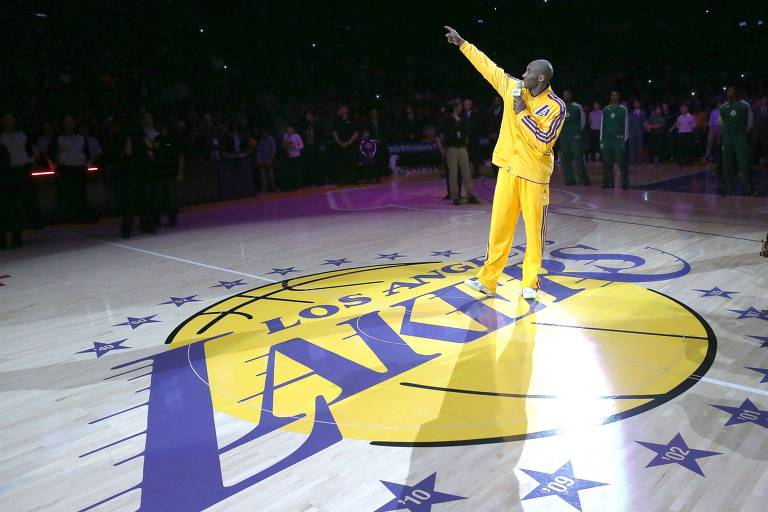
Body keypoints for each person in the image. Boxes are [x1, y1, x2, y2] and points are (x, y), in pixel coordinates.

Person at [445, 26, 565, 301]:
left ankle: (530, 283)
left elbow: (544, 140)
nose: (523, 75)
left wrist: (522, 114)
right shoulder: (514, 89)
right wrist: (463, 44)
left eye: (528, 72)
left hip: (534, 176)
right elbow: (489, 68)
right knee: (499, 227)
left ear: (542, 77)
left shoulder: (556, 106)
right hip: (508, 170)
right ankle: (488, 280)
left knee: (534, 232)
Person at [49, 115, 91, 222]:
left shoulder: (80, 137)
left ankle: (81, 216)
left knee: (80, 194)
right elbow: (51, 153)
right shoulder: (58, 138)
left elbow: (87, 152)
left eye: (71, 122)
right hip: (65, 169)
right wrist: (56, 169)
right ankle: (66, 217)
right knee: (66, 194)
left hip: (79, 168)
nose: (69, 124)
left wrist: (86, 165)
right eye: (66, 122)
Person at [1, 113, 39, 229]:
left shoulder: (22, 135)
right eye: (7, 119)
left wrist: (31, 162)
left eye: (11, 119)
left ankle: (30, 223)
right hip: (9, 171)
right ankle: (16, 225)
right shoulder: (1, 137)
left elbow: (31, 150)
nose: (10, 122)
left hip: (23, 169)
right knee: (12, 201)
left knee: (26, 198)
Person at [438, 98, 479, 205]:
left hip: (462, 147)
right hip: (451, 147)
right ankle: (455, 196)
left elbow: (466, 132)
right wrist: (442, 148)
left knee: (467, 171)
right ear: (454, 107)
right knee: (453, 173)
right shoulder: (447, 119)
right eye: (458, 106)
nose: (460, 107)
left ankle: (471, 195)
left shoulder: (462, 119)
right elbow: (440, 134)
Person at [719, 86, 753, 195]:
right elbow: (721, 123)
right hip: (727, 137)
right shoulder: (723, 107)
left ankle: (748, 189)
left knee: (743, 162)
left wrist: (741, 133)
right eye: (728, 91)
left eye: (732, 90)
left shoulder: (745, 105)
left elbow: (750, 123)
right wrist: (727, 134)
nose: (730, 92)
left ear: (737, 93)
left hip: (740, 137)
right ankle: (729, 189)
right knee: (727, 163)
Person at [153, 121, 185, 227]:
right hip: (159, 173)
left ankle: (172, 219)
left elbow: (180, 156)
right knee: (159, 198)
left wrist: (180, 173)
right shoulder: (157, 139)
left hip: (171, 173)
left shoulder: (174, 139)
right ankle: (157, 220)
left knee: (171, 198)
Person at [559, 90, 589, 186]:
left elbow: (583, 121)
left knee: (578, 158)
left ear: (571, 96)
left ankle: (583, 180)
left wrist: (577, 132)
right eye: (565, 95)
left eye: (568, 94)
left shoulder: (577, 107)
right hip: (564, 137)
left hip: (575, 137)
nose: (566, 96)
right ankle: (570, 180)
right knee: (565, 160)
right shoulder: (560, 107)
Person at [600, 91, 629, 189]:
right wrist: (601, 140)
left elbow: (626, 125)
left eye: (616, 95)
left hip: (618, 140)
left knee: (621, 162)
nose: (614, 96)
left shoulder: (623, 109)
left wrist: (624, 139)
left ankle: (624, 183)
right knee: (607, 162)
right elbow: (602, 125)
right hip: (607, 140)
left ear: (619, 97)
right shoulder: (606, 109)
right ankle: (608, 182)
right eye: (612, 95)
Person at [0, 143, 24, 248]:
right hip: (8, 188)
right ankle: (15, 239)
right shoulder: (11, 170)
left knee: (8, 214)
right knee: (11, 214)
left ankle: (5, 240)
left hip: (6, 188)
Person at [332, 105, 359, 185]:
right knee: (341, 163)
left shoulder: (352, 120)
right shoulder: (337, 120)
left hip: (351, 145)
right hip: (340, 146)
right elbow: (334, 132)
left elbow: (356, 132)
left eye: (344, 109)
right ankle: (342, 181)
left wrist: (349, 142)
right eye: (341, 109)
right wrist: (339, 142)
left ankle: (353, 180)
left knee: (352, 162)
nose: (343, 111)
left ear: (347, 110)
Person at [463, 98, 484, 177]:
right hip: (465, 140)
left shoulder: (475, 114)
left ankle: (476, 172)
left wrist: (471, 136)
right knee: (467, 157)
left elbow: (478, 127)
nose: (466, 106)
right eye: (465, 104)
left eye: (467, 104)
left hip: (474, 139)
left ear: (470, 105)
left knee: (475, 156)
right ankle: (468, 172)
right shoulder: (462, 115)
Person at [282, 125, 304, 189]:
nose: (289, 131)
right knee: (291, 171)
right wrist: (285, 143)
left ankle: (299, 185)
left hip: (296, 156)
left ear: (293, 130)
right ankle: (293, 185)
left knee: (297, 171)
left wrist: (296, 147)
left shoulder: (296, 136)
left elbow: (302, 145)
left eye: (290, 129)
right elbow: (283, 146)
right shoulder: (285, 136)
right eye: (287, 129)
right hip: (289, 156)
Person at [256, 128, 278, 192]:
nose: (263, 133)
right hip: (262, 161)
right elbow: (259, 151)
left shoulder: (271, 139)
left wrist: (271, 159)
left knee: (271, 175)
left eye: (264, 132)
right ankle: (265, 189)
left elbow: (274, 150)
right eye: (262, 132)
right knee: (263, 176)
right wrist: (259, 160)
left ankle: (274, 188)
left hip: (269, 160)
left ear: (267, 132)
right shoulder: (261, 140)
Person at [750, 96, 768, 167]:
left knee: (766, 147)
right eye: (764, 99)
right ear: (761, 100)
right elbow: (751, 118)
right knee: (753, 147)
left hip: (765, 132)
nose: (765, 101)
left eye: (766, 100)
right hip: (755, 131)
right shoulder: (755, 108)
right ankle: (751, 162)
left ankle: (766, 162)